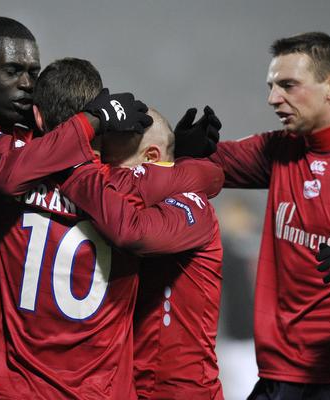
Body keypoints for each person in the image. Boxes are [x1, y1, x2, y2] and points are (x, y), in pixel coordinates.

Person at [0, 57, 223, 399]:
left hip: (14, 387)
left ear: (38, 117)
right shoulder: (128, 188)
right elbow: (208, 177)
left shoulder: (14, 171)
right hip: (101, 391)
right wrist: (179, 159)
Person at [0, 17, 151, 400]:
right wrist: (90, 121)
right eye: (13, 71)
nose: (27, 83)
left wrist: (176, 156)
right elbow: (3, 175)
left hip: (19, 372)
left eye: (33, 72)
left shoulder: (40, 146)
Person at [180, 31, 330, 399]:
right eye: (272, 87)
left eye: (288, 85)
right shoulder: (280, 150)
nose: (273, 98)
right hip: (278, 375)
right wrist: (182, 147)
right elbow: (210, 163)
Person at [59, 108, 225, 399]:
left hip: (181, 391)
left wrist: (78, 169)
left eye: (114, 164)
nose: (107, 177)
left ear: (151, 158)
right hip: (127, 384)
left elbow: (134, 233)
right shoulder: (126, 207)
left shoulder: (192, 206)